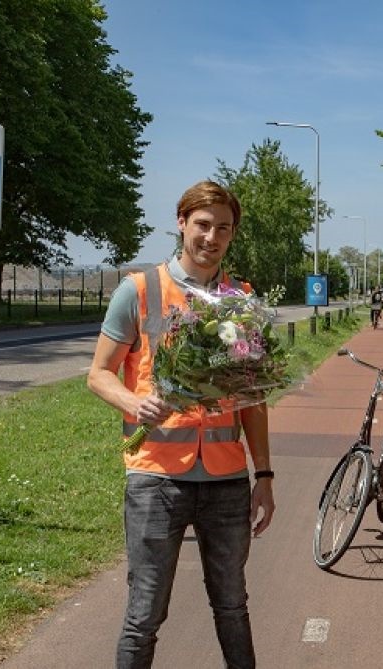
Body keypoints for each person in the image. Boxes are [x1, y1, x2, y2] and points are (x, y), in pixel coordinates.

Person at [88, 180, 274, 669]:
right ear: (182, 223)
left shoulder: (240, 302)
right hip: (155, 476)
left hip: (226, 480)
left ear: (233, 234)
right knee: (145, 611)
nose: (212, 237)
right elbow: (98, 374)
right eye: (203, 225)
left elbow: (253, 400)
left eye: (223, 228)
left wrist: (266, 477)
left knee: (232, 605)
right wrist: (133, 400)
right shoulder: (141, 291)